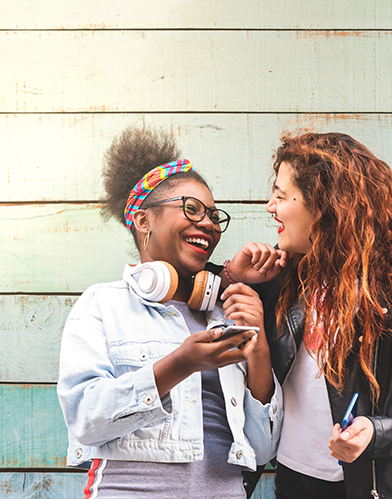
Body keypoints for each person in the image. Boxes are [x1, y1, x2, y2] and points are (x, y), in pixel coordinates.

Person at [223, 132, 392, 499]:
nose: (269, 206)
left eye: (280, 195)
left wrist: (376, 433)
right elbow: (199, 291)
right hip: (292, 483)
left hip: (374, 490)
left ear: (324, 204)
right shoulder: (283, 279)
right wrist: (235, 275)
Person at [57, 127, 282, 499]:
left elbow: (262, 450)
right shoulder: (103, 304)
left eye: (213, 215)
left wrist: (256, 343)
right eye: (191, 209)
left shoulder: (226, 313)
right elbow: (85, 419)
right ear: (144, 221)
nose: (208, 223)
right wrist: (180, 363)